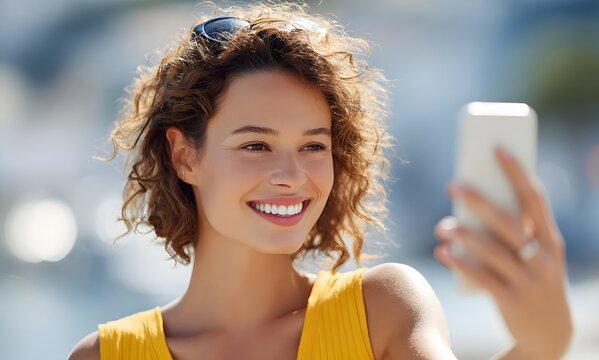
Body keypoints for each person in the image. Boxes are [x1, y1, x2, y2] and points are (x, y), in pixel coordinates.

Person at [69, 2, 573, 359]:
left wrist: (538, 347)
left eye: (313, 146)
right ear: (184, 156)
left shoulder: (383, 310)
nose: (292, 176)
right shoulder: (106, 356)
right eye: (256, 145)